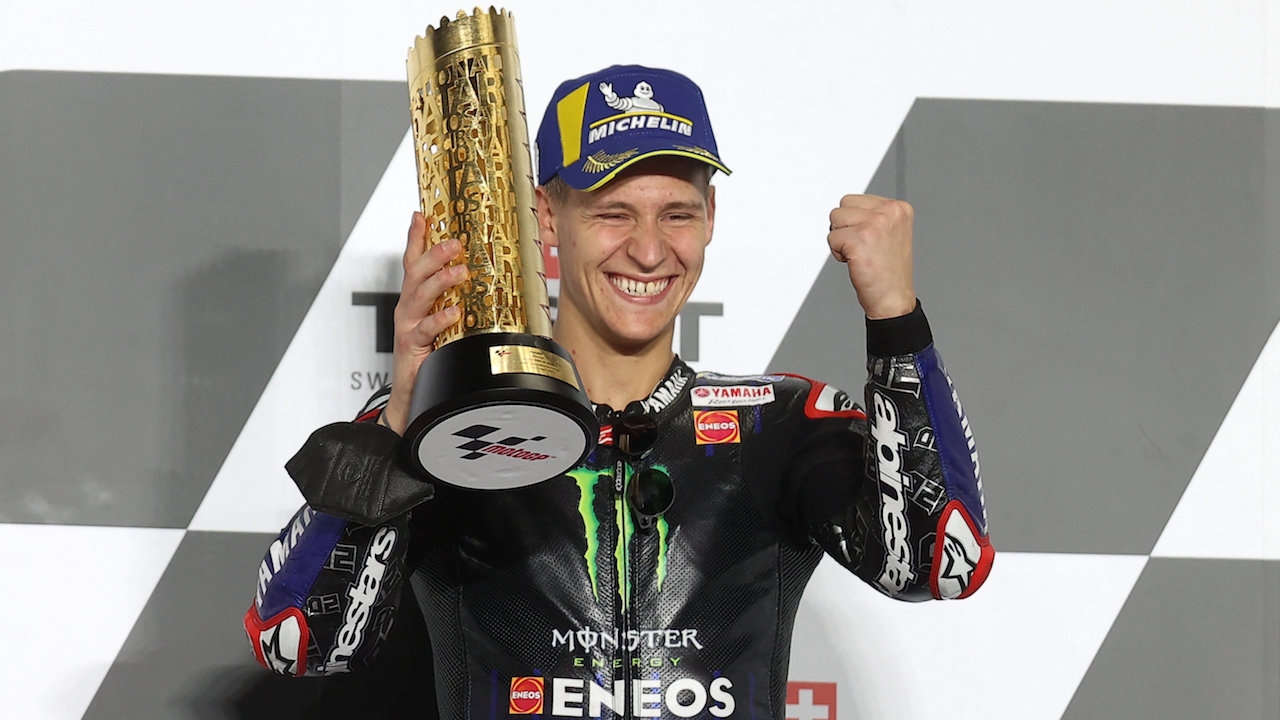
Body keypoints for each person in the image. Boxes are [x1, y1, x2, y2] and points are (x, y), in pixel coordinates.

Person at [245, 64, 994, 719]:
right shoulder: (453, 427)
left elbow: (937, 564)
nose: (648, 249)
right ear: (546, 218)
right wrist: (397, 421)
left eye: (678, 214)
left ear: (711, 219)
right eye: (613, 213)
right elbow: (299, 641)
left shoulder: (781, 425)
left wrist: (896, 324)